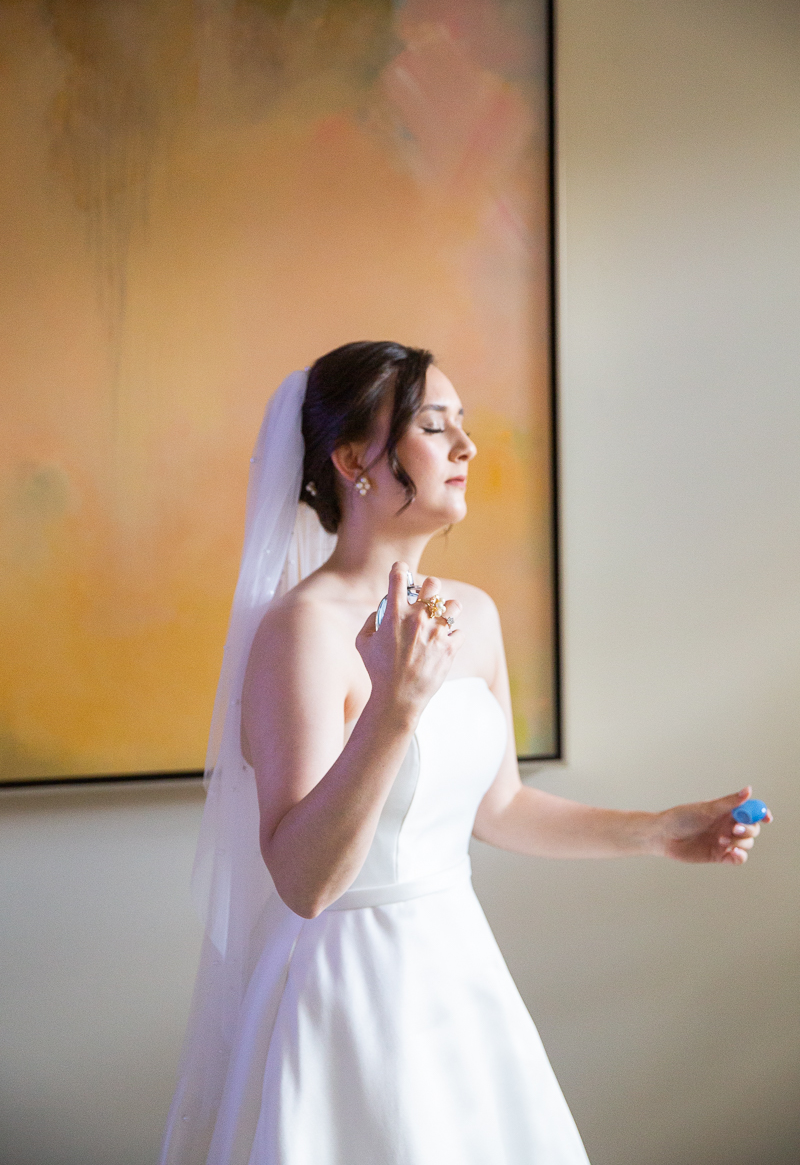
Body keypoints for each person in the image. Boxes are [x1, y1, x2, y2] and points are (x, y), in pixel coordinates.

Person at [161, 341, 771, 1165]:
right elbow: (303, 882)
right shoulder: (299, 633)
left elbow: (500, 807)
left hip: (457, 969)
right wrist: (392, 710)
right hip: (346, 987)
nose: (466, 448)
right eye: (433, 426)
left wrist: (659, 830)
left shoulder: (471, 615)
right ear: (352, 461)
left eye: (464, 427)